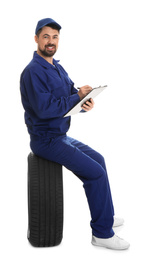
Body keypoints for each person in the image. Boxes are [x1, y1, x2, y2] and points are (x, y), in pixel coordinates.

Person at [20, 18, 130, 250]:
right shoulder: (32, 72)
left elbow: (70, 93)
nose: (51, 41)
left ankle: (106, 217)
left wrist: (84, 101)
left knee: (99, 159)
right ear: (36, 39)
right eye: (46, 36)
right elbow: (45, 109)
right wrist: (76, 97)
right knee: (95, 173)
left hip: (59, 135)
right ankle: (102, 234)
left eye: (55, 37)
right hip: (45, 139)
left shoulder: (56, 66)